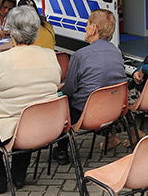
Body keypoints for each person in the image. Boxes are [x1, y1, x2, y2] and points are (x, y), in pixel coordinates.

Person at [0, 5, 61, 193]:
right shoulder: (50, 55)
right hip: (46, 127)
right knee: (26, 116)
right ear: (35, 30)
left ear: (11, 31)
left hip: (14, 130)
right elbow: (55, 85)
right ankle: (18, 177)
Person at [54, 9, 126, 164]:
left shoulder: (80, 55)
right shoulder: (117, 51)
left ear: (94, 29)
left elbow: (70, 90)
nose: (85, 28)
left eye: (87, 24)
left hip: (86, 115)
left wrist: (60, 88)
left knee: (62, 102)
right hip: (112, 112)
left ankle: (61, 151)